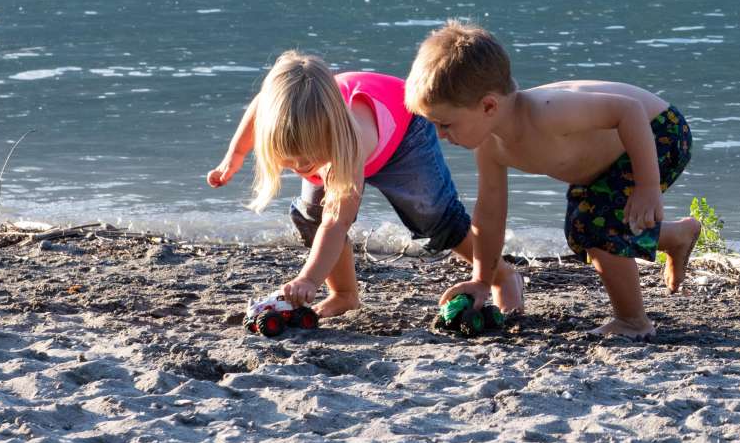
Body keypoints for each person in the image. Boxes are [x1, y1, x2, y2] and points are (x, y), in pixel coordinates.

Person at [405, 20, 698, 342]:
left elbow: (629, 111)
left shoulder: (547, 112)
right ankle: (675, 236)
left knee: (598, 228)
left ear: (488, 105)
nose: (439, 135)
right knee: (585, 229)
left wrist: (647, 187)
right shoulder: (491, 146)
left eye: (445, 124)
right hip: (606, 165)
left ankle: (633, 321)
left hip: (657, 134)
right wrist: (482, 280)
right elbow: (489, 216)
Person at [206, 50, 524, 318]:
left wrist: (308, 279)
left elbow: (337, 223)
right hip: (342, 144)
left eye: (309, 156)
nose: (301, 166)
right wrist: (234, 156)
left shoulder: (352, 141)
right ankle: (344, 295)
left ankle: (501, 275)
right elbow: (261, 104)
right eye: (290, 158)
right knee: (310, 216)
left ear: (330, 130)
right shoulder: (288, 115)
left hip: (404, 135)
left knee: (435, 218)